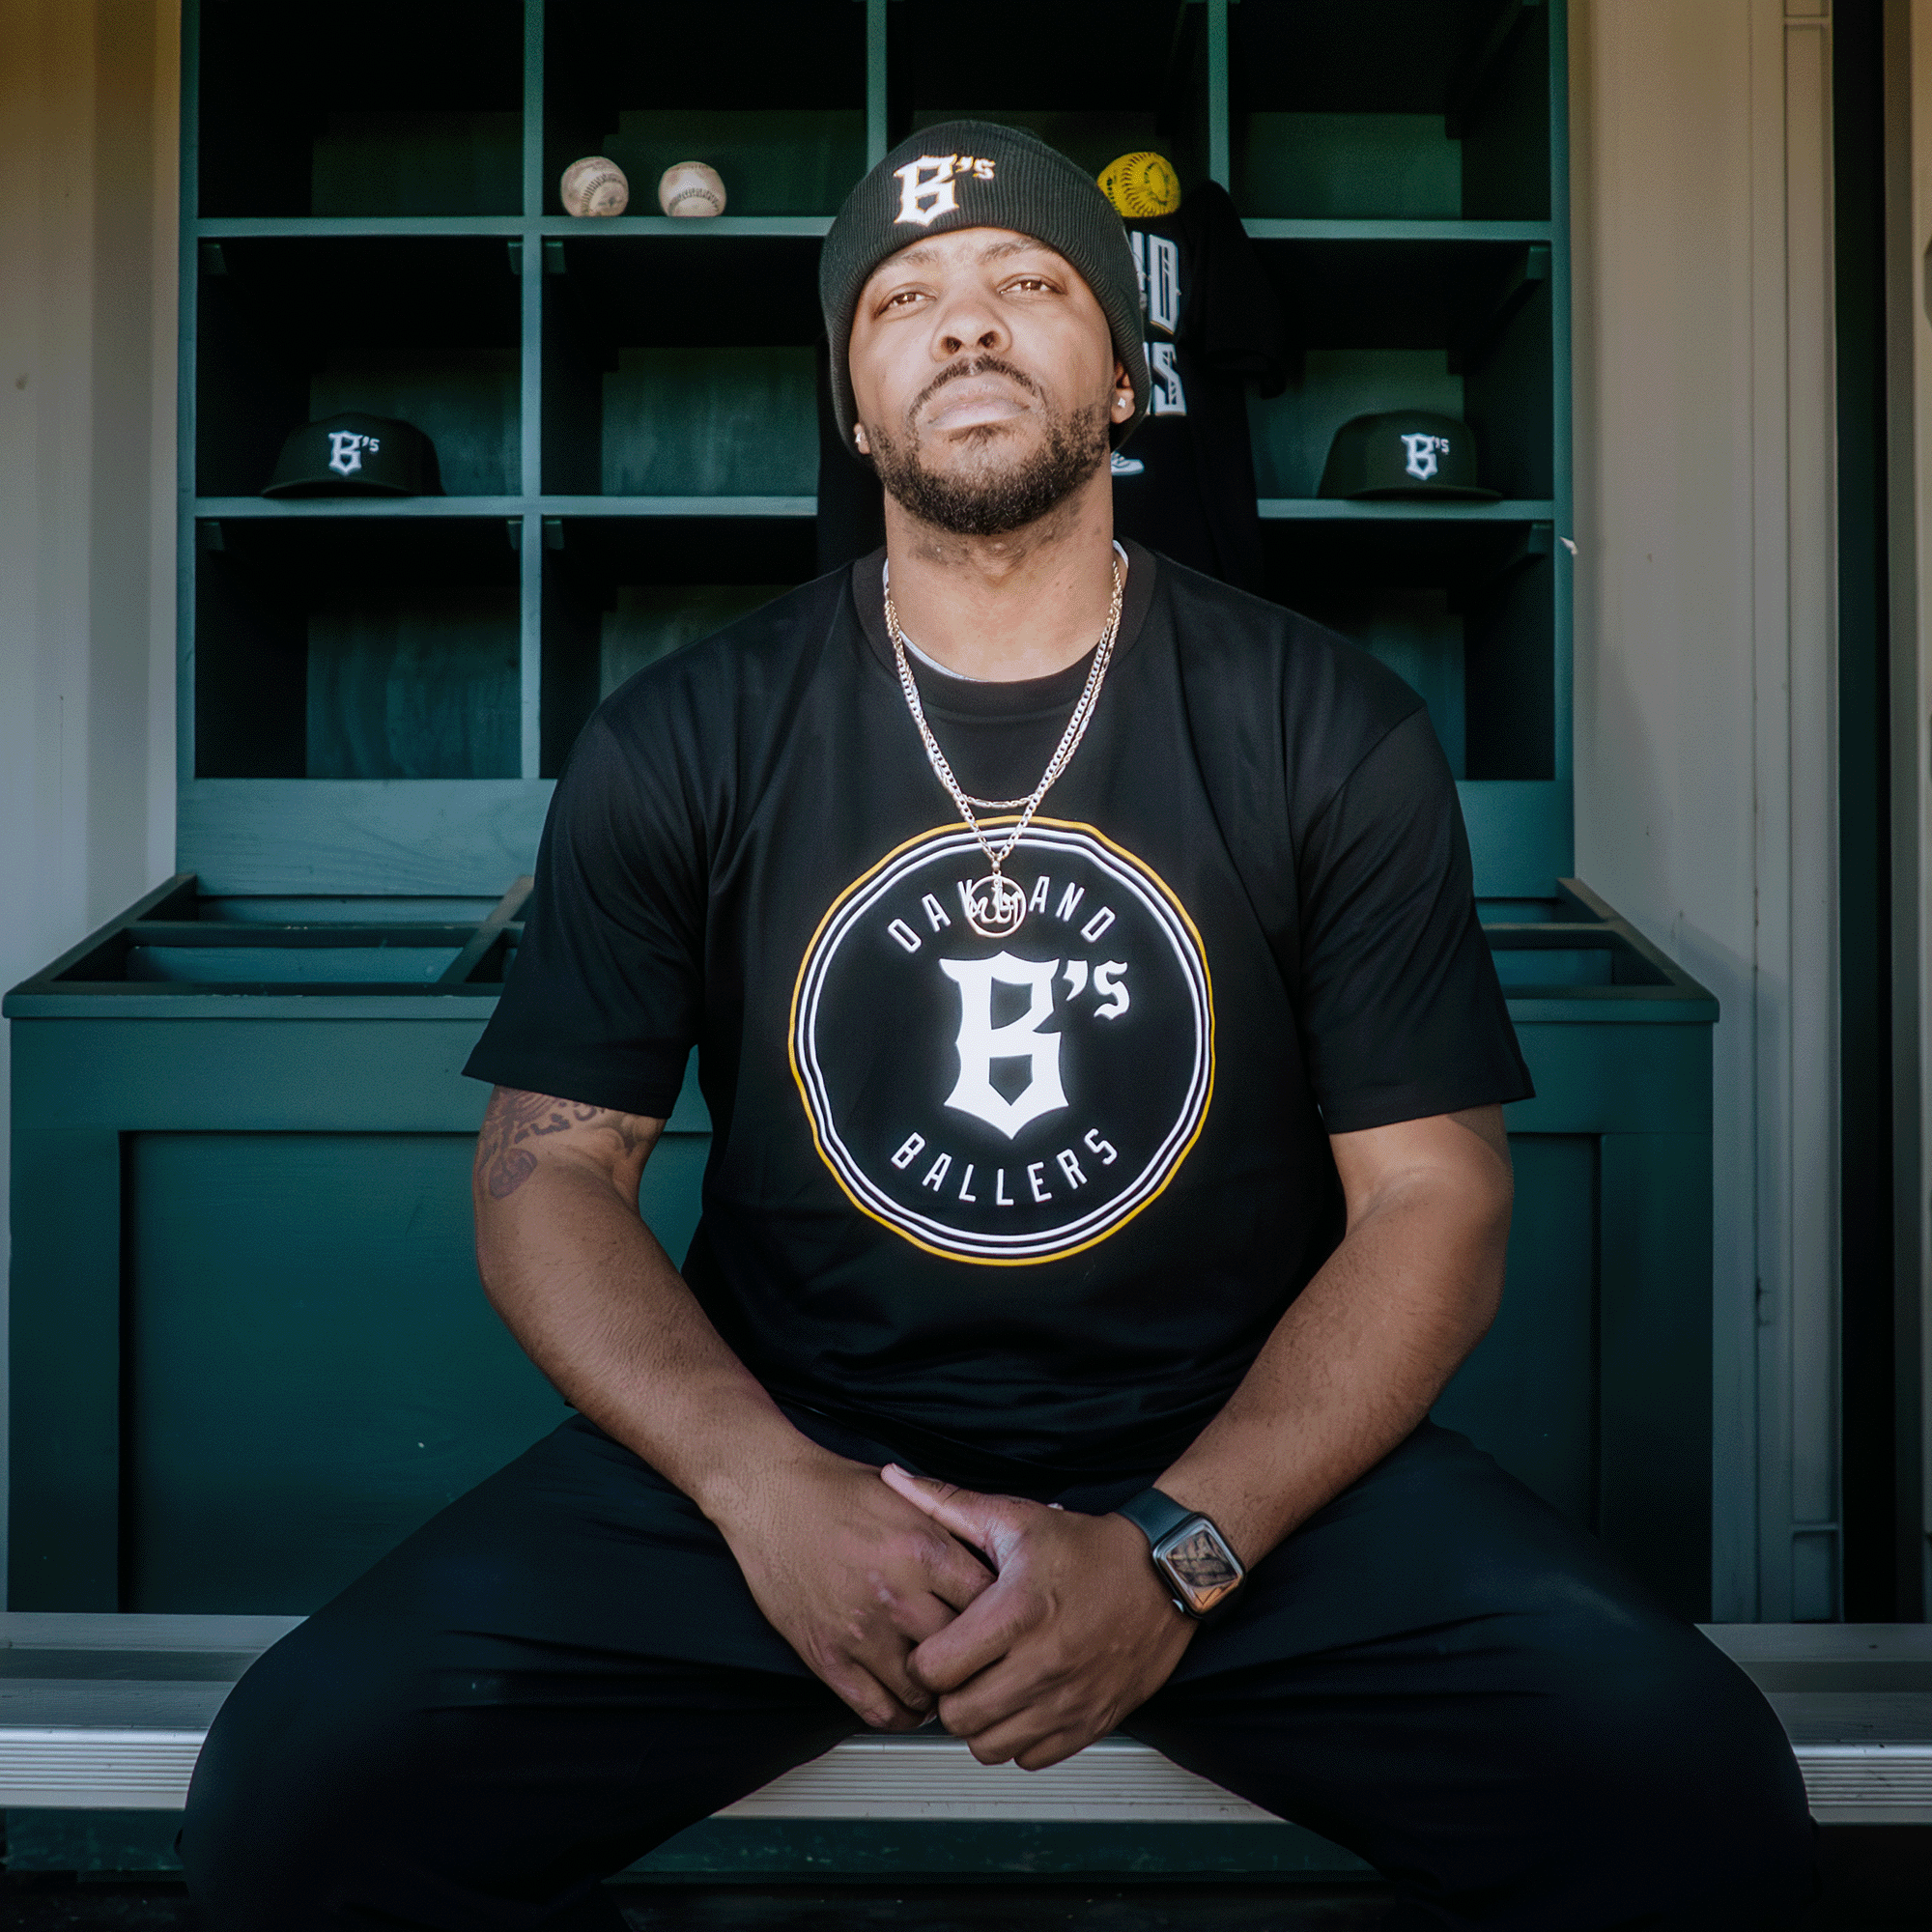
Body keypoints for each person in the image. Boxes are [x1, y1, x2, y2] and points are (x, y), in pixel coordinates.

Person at [180, 123, 1815, 1931]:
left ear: (1123, 376)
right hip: (793, 1449)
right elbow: (547, 1181)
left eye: (1029, 286)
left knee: (1691, 1788)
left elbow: (1438, 1199)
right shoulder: (683, 733)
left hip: (1231, 1468)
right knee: (298, 1793)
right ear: (854, 407)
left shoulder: (1325, 724)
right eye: (905, 303)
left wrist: (1177, 1556)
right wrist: (762, 1490)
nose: (968, 327)